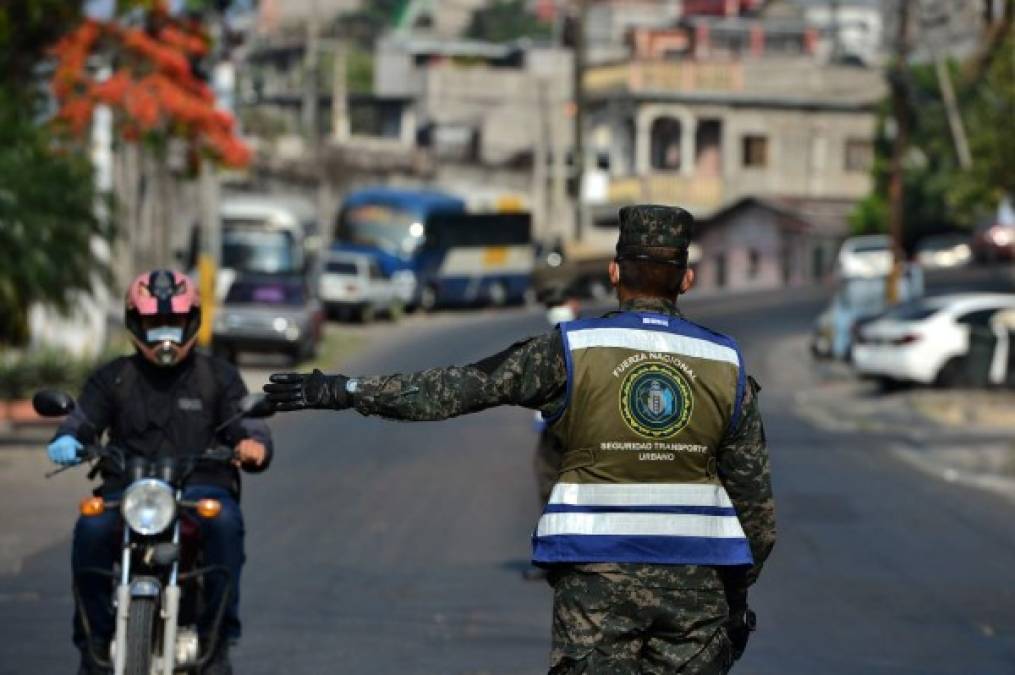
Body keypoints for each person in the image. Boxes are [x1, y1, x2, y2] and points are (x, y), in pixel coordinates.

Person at [264, 205, 775, 673]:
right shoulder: (726, 365)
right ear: (686, 279)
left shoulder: (571, 349)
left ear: (614, 273)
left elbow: (456, 388)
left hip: (595, 582)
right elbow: (756, 511)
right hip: (698, 591)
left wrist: (345, 389)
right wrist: (732, 596)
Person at [48, 269, 273, 675]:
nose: (164, 336)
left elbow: (247, 420)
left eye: (173, 324)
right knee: (90, 528)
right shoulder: (113, 377)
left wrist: (252, 443)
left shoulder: (218, 377)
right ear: (136, 324)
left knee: (224, 523)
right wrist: (68, 438)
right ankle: (95, 639)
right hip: (129, 490)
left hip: (201, 488)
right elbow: (81, 420)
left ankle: (216, 638)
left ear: (192, 322)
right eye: (154, 325)